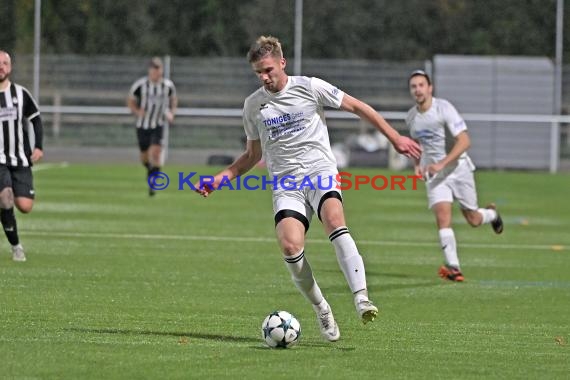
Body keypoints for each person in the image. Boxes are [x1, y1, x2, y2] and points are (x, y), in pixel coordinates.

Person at [195, 36, 422, 342]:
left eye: (268, 69)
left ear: (282, 63)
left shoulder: (309, 86)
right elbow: (252, 156)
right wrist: (220, 178)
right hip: (286, 183)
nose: (264, 77)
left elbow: (358, 107)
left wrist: (395, 137)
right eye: (258, 73)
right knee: (290, 246)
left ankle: (361, 297)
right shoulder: (253, 106)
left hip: (319, 172)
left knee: (334, 220)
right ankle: (322, 308)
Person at [406, 70, 504, 282]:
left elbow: (464, 141)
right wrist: (417, 165)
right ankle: (454, 267)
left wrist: (441, 163)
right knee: (443, 218)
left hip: (459, 170)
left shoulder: (444, 108)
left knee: (474, 219)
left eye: (421, 85)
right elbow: (417, 147)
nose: (417, 89)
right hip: (435, 175)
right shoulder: (411, 118)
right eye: (413, 86)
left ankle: (491, 215)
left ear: (430, 88)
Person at [0, 50, 44, 262]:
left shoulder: (20, 93)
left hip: (20, 159)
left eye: (4, 64)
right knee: (5, 198)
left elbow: (36, 118)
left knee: (25, 206)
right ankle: (16, 246)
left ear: (10, 67)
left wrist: (38, 147)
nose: (1, 67)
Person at [127, 57, 177, 196]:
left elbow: (173, 100)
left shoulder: (167, 86)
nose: (156, 73)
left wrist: (171, 113)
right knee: (144, 157)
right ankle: (150, 171)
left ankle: (153, 183)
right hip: (142, 125)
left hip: (158, 124)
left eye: (159, 69)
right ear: (150, 71)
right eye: (154, 70)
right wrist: (137, 111)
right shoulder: (140, 85)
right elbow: (130, 101)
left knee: (155, 152)